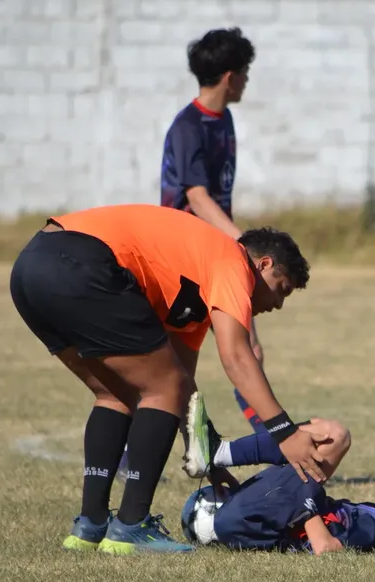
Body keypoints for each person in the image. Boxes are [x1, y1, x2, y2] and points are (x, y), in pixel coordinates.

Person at [9, 204, 323, 555]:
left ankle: (90, 524)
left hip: (30, 267)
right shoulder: (233, 261)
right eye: (281, 289)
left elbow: (182, 383)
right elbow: (236, 357)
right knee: (162, 388)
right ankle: (131, 525)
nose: (278, 304)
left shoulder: (198, 282)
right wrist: (285, 433)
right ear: (263, 264)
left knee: (115, 393)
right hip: (81, 261)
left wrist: (206, 454)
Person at [158, 27, 264, 440]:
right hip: (184, 260)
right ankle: (139, 455)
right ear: (230, 77)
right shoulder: (188, 126)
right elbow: (198, 198)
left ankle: (274, 442)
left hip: (219, 254)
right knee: (174, 367)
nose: (248, 80)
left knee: (250, 350)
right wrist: (243, 240)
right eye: (246, 72)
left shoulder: (225, 119)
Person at [183, 418, 375, 554]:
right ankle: (219, 455)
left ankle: (220, 453)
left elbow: (327, 547)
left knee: (335, 436)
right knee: (327, 434)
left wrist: (305, 501)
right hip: (249, 518)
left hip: (250, 521)